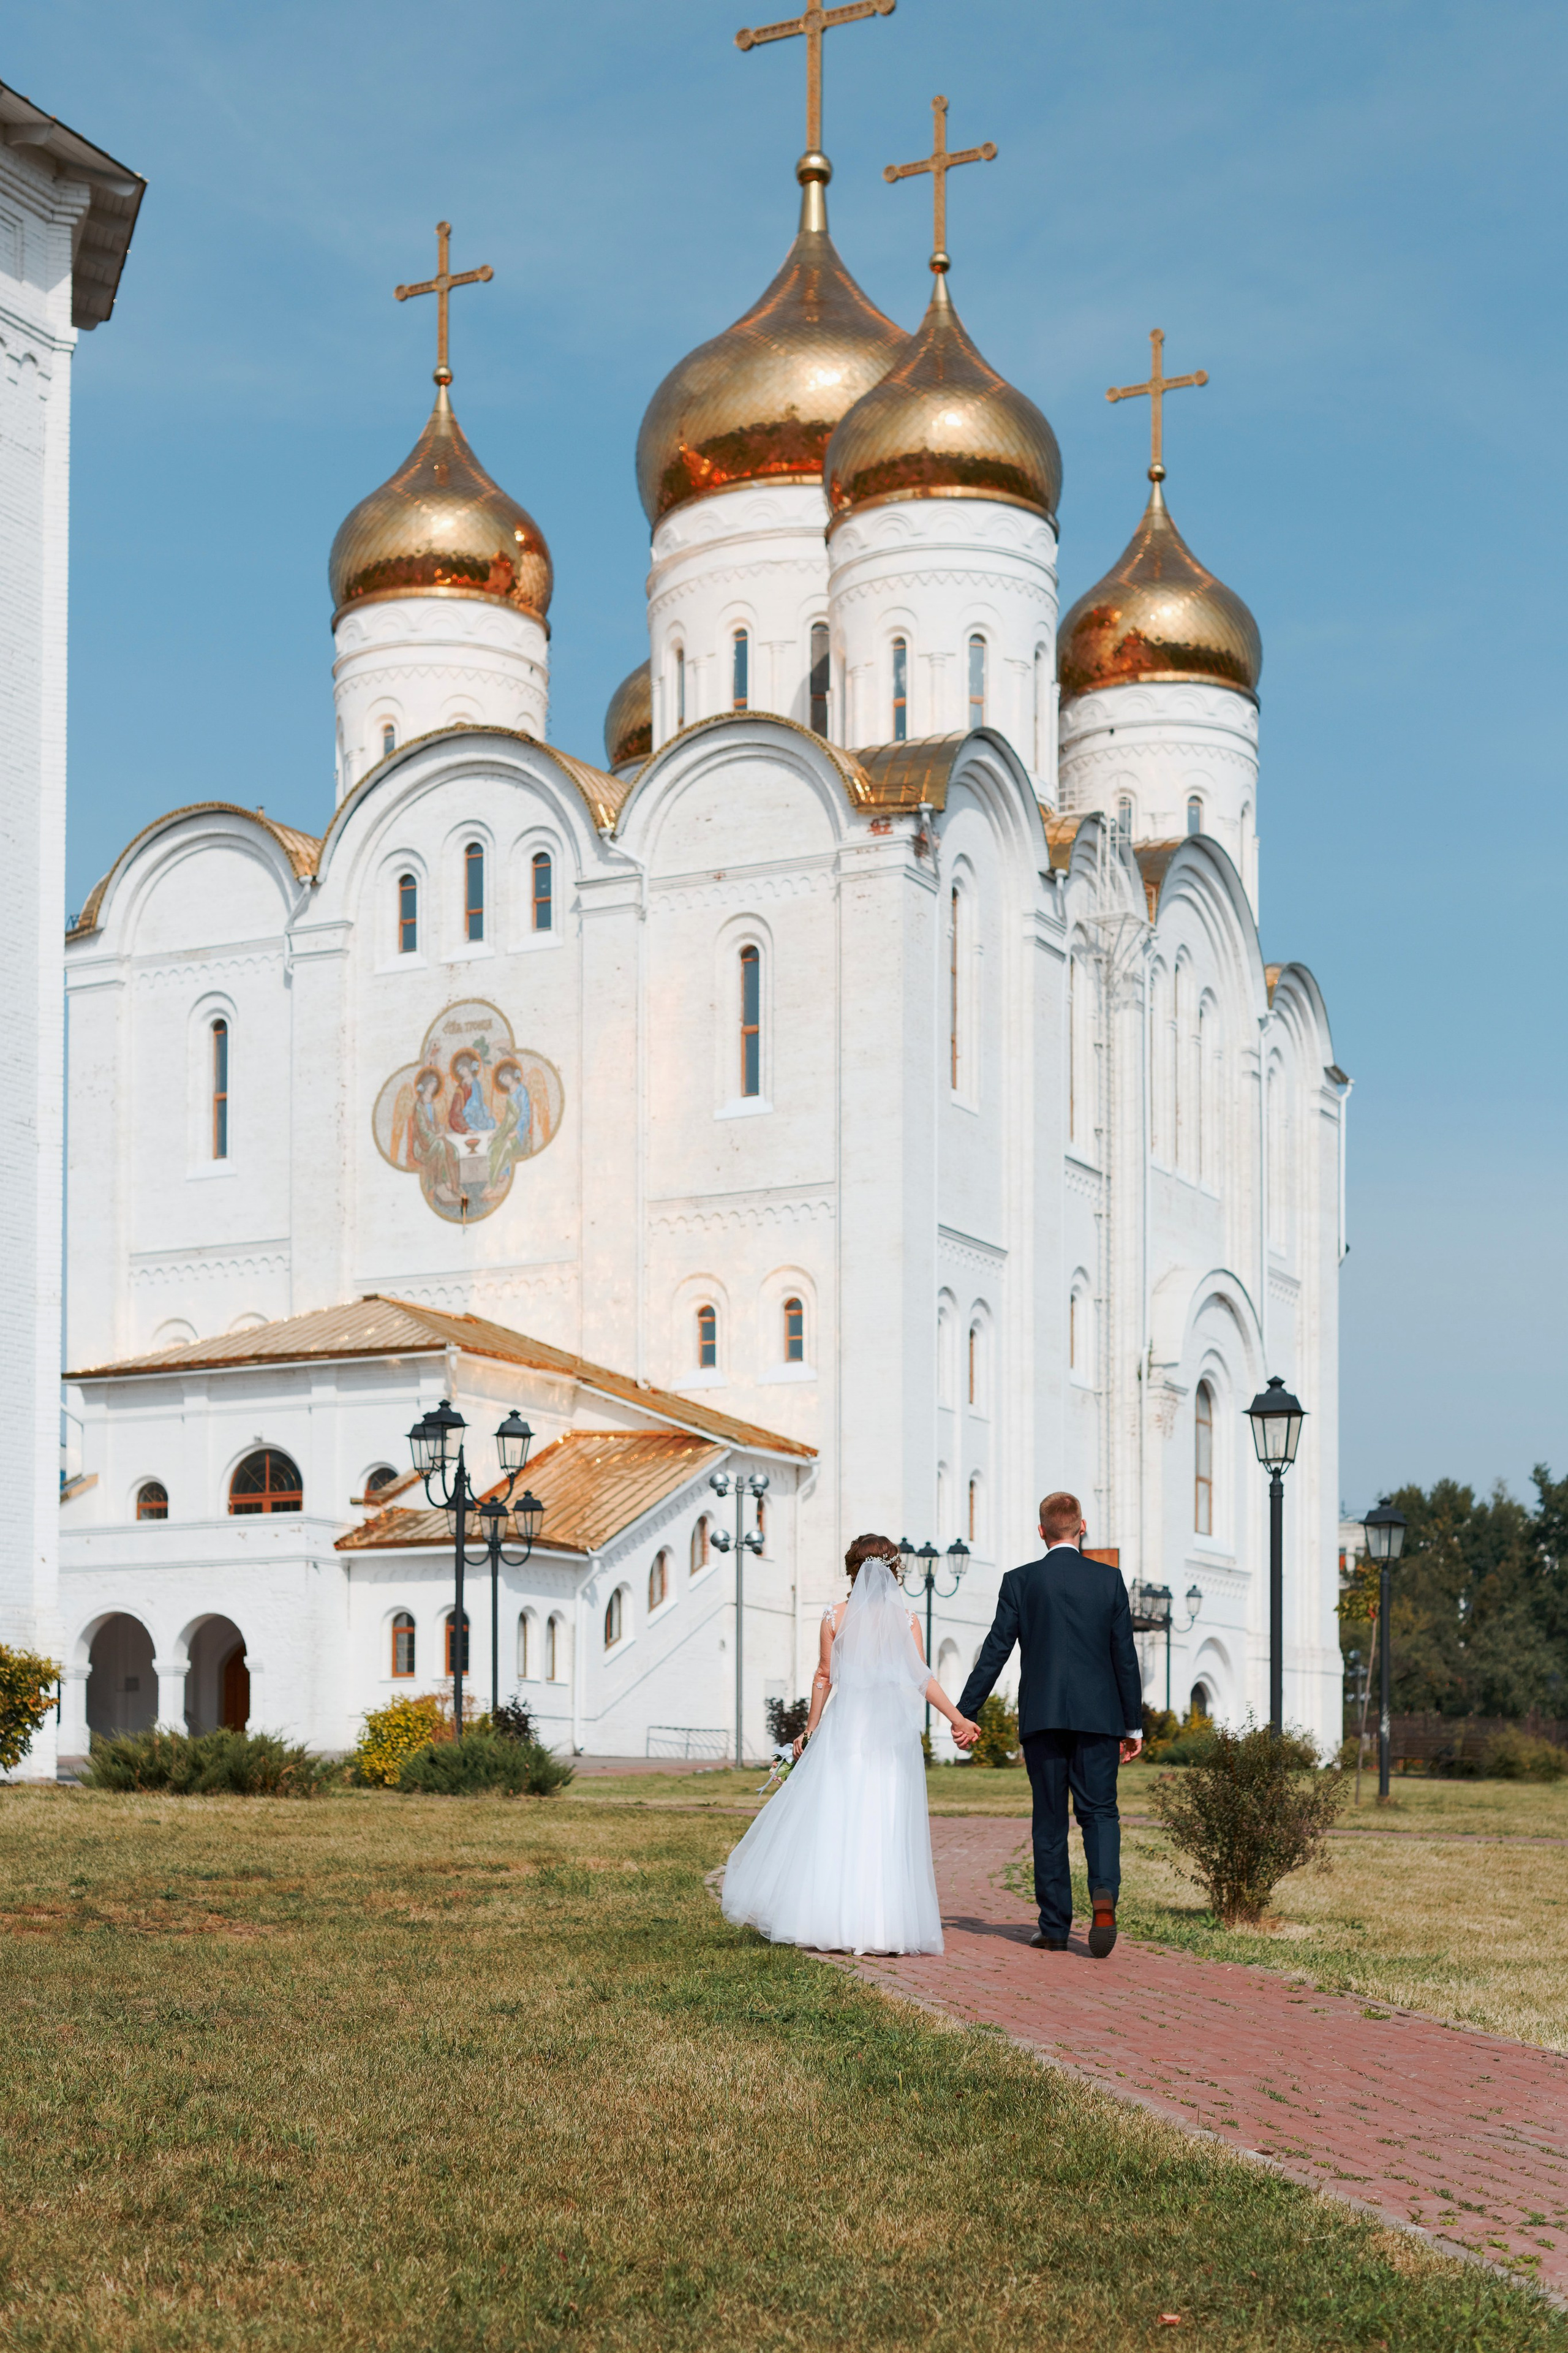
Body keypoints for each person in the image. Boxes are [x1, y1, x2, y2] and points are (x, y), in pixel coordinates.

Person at [720, 1533, 979, 1955]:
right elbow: (922, 1678)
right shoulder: (907, 1620)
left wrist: (810, 1729)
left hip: (848, 1730)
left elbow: (824, 1675)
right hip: (891, 1737)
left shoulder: (834, 1616)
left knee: (839, 1817)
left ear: (852, 1571)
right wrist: (958, 1718)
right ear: (895, 1570)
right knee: (884, 1821)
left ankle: (828, 1920)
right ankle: (884, 1927)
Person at [954, 1491, 1143, 1958]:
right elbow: (1124, 1655)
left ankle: (1055, 1927)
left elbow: (996, 1650)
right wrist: (1133, 1726)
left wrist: (966, 1711)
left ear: (1041, 1531)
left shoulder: (1020, 1581)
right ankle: (1104, 1892)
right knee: (1100, 1812)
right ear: (1083, 1526)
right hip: (1100, 1719)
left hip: (1043, 1718)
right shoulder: (1109, 1580)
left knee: (1050, 1819)